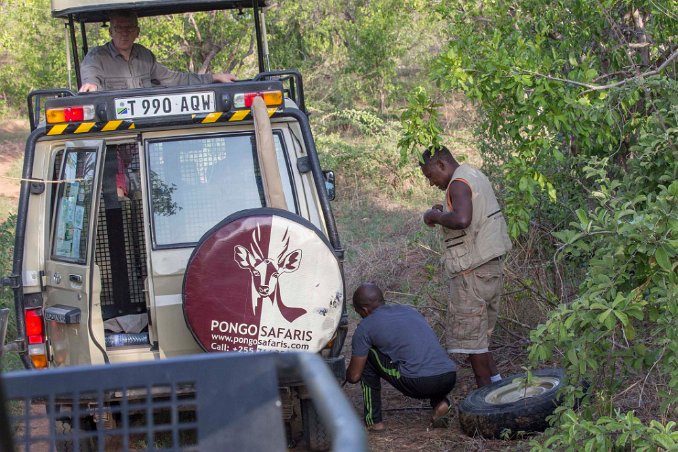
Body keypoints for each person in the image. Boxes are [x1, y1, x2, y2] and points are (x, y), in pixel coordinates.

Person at [419, 145, 512, 388]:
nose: (431, 183)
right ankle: (496, 384)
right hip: (489, 267)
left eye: (430, 176)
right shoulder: (473, 174)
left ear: (441, 164)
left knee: (472, 341)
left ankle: (486, 401)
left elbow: (462, 219)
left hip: (472, 273)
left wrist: (434, 216)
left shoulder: (457, 184)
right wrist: (443, 213)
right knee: (480, 338)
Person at [346, 283, 457, 431]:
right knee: (420, 359)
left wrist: (344, 375)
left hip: (418, 382)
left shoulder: (365, 327)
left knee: (368, 357)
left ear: (364, 310)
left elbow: (354, 376)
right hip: (449, 376)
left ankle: (373, 421)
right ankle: (441, 404)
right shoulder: (409, 311)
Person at [79, 11, 236, 92]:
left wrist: (214, 77)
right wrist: (90, 84)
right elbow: (90, 76)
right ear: (111, 32)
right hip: (116, 131)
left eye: (129, 28)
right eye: (119, 28)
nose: (124, 33)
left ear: (137, 32)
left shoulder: (145, 56)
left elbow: (174, 79)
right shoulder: (96, 57)